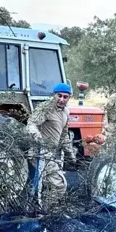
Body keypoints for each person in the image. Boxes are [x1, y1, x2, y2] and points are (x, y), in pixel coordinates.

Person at [26, 82, 76, 210]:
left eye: (65, 97)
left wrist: (70, 154)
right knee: (59, 185)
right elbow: (31, 123)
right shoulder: (46, 108)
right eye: (59, 96)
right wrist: (37, 136)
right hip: (40, 153)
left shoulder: (66, 112)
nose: (62, 99)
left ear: (69, 98)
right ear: (54, 95)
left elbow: (64, 135)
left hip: (51, 154)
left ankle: (41, 207)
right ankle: (44, 210)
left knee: (46, 185)